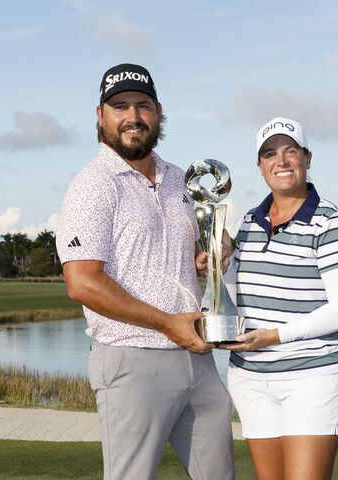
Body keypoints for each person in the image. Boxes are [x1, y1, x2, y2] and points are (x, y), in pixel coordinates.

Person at [56, 63, 234, 480]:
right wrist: (166, 323)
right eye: (120, 106)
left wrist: (211, 252)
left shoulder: (181, 180)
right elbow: (82, 281)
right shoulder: (92, 184)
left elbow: (183, 256)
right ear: (100, 115)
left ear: (158, 113)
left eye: (143, 105)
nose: (132, 117)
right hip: (132, 359)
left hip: (197, 357)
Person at [222, 117, 338, 480]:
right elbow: (240, 291)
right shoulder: (250, 221)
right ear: (260, 166)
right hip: (251, 377)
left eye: (290, 151)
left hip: (313, 375)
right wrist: (220, 262)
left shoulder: (330, 221)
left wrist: (275, 335)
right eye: (270, 154)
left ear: (307, 158)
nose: (281, 161)